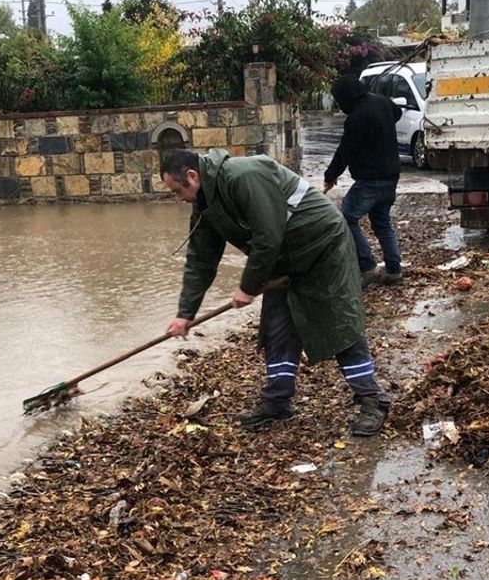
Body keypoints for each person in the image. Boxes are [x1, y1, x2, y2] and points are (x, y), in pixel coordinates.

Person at [159, 148, 391, 436]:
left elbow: (268, 236)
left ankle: (372, 401)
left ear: (192, 176)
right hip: (283, 260)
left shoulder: (243, 175)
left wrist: (247, 287)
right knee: (277, 329)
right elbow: (200, 262)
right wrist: (185, 314)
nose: (178, 199)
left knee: (338, 324)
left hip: (321, 247)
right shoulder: (206, 203)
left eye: (177, 190)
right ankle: (277, 401)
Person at [323, 75, 403, 289]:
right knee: (383, 223)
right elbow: (397, 113)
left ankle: (367, 266)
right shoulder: (382, 102)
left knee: (346, 218)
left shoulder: (357, 117)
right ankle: (394, 271)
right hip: (391, 177)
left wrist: (330, 176)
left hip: (370, 180)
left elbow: (345, 151)